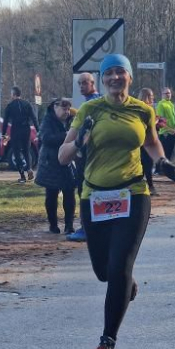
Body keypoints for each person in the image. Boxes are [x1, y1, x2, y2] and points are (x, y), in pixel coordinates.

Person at [58, 54, 175, 349]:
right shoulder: (89, 110)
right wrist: (80, 142)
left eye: (120, 73)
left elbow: (152, 143)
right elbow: (62, 155)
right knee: (104, 272)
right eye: (108, 73)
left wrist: (162, 161)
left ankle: (107, 341)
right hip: (95, 196)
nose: (114, 78)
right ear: (101, 80)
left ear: (129, 78)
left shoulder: (142, 110)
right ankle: (124, 282)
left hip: (133, 194)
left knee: (119, 266)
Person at [66, 73, 101, 243]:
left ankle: (87, 227)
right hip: (95, 153)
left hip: (88, 154)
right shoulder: (95, 101)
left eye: (85, 83)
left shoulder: (91, 104)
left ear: (93, 83)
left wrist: (78, 148)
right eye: (79, 83)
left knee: (85, 191)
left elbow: (86, 129)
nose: (81, 86)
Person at [36, 98, 76, 234]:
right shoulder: (47, 120)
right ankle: (53, 224)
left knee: (69, 193)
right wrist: (66, 135)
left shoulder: (72, 119)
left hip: (67, 161)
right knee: (51, 195)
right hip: (50, 162)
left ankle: (69, 225)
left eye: (68, 109)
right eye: (64, 108)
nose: (67, 111)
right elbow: (46, 138)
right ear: (55, 107)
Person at [1, 86, 39, 183]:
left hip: (16, 130)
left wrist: (3, 134)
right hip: (26, 129)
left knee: (16, 152)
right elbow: (34, 118)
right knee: (26, 150)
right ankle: (29, 168)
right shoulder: (27, 104)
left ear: (13, 94)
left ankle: (22, 175)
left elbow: (5, 122)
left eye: (11, 94)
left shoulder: (10, 106)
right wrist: (38, 130)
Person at [138, 88, 156, 191]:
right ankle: (150, 186)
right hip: (145, 140)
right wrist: (156, 124)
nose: (153, 99)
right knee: (147, 163)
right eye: (151, 96)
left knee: (146, 164)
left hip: (145, 139)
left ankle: (148, 185)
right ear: (147, 97)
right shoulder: (145, 109)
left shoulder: (147, 108)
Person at [154, 88, 175, 160]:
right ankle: (160, 169)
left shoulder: (171, 104)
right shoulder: (161, 104)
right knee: (164, 154)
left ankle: (166, 169)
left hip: (173, 132)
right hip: (165, 133)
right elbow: (160, 119)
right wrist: (168, 129)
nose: (168, 95)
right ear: (162, 95)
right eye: (166, 93)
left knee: (169, 153)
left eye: (169, 93)